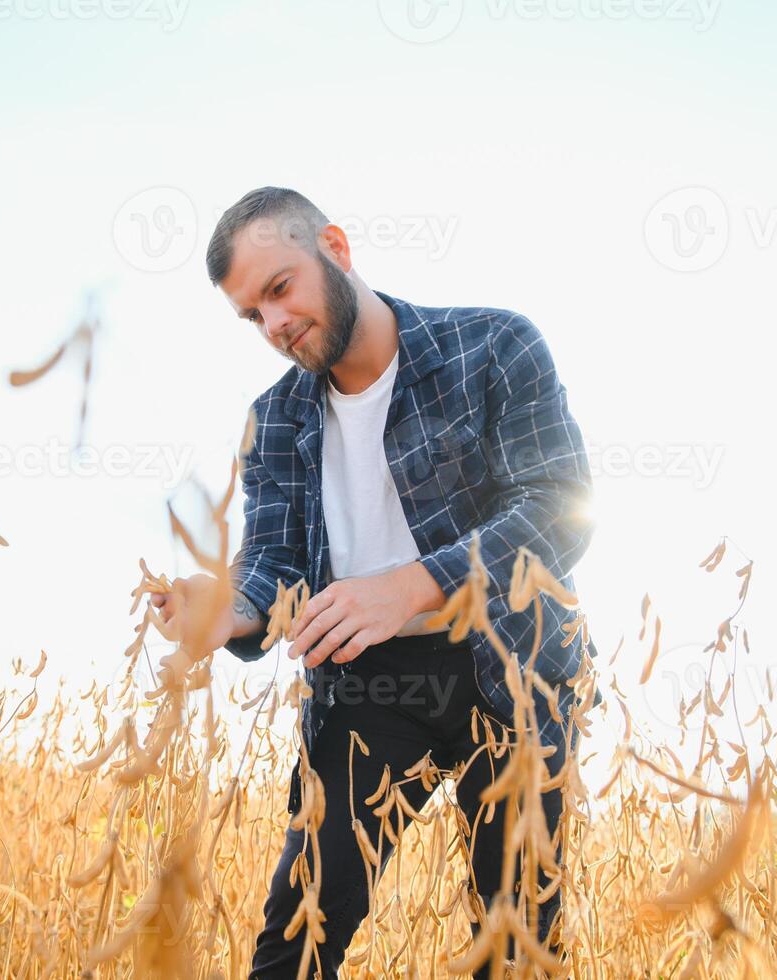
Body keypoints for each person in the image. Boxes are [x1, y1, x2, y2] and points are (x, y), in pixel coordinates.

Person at [150, 186, 599, 978]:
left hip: (514, 664)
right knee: (298, 933)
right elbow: (273, 563)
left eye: (280, 288)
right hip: (368, 682)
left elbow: (558, 514)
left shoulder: (493, 345)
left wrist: (412, 585)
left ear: (334, 247)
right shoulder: (275, 421)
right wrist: (231, 609)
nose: (275, 325)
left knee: (517, 936)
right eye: (252, 316)